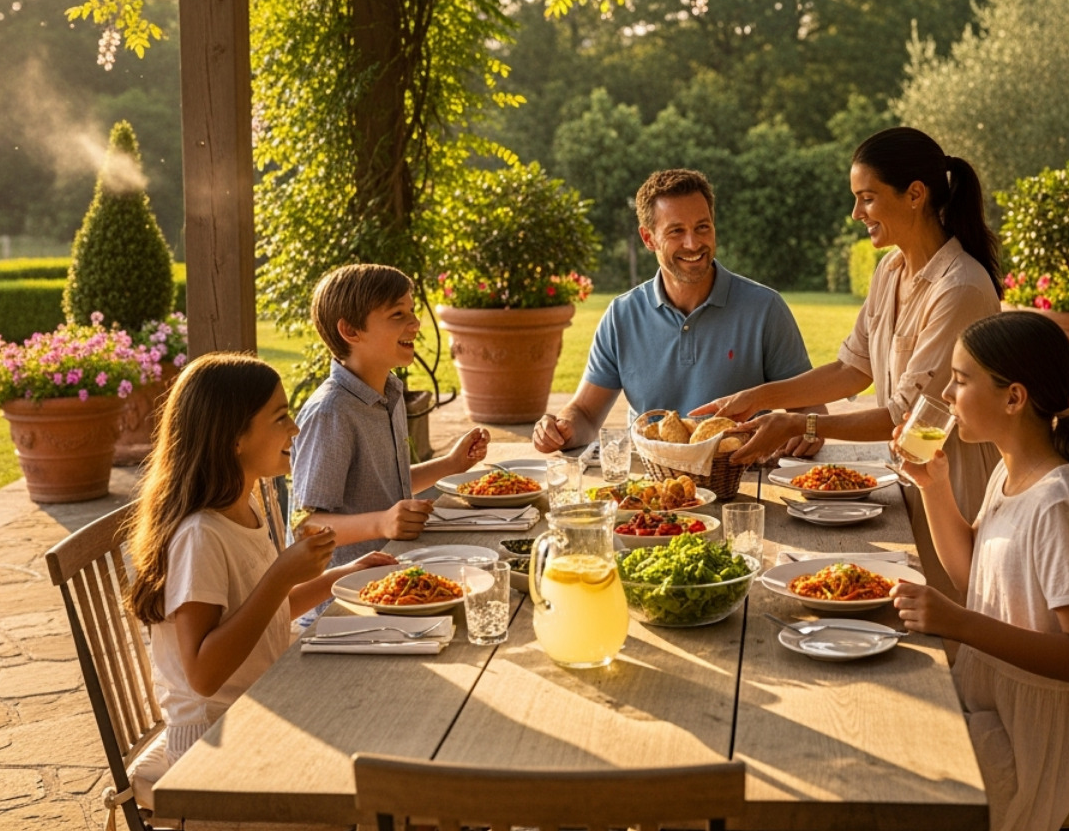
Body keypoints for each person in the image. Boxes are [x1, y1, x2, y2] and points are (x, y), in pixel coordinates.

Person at [889, 311, 1069, 831]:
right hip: (999, 705)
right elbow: (970, 575)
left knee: (892, 781)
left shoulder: (1059, 505)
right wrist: (933, 486)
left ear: (1013, 397)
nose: (949, 397)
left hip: (1044, 740)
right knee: (886, 726)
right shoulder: (1011, 470)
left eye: (960, 381)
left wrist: (957, 623)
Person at [695, 126, 1001, 519]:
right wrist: (756, 398)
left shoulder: (959, 289)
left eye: (867, 199)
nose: (857, 214)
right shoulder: (891, 270)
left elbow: (902, 416)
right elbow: (851, 368)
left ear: (915, 195)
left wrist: (798, 426)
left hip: (956, 496)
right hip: (910, 481)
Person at [123, 353, 399, 770]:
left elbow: (260, 615)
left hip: (259, 706)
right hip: (213, 744)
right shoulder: (201, 535)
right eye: (280, 417)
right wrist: (280, 575)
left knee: (389, 706)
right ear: (234, 439)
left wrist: (340, 577)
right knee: (390, 749)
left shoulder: (243, 506)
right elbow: (202, 674)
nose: (296, 428)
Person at [532, 168, 823, 458]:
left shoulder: (765, 309)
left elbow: (810, 410)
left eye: (702, 227)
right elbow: (585, 413)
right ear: (649, 239)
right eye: (676, 231)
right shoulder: (622, 315)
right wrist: (561, 430)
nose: (693, 243)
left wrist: (807, 432)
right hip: (652, 489)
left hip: (739, 480)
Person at [293, 264, 490, 566]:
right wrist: (381, 523)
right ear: (350, 331)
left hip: (396, 570)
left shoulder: (389, 393)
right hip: (343, 598)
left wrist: (452, 464)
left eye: (412, 311)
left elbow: (381, 488)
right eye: (398, 314)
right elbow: (305, 527)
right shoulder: (331, 413)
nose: (415, 323)